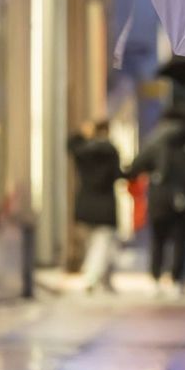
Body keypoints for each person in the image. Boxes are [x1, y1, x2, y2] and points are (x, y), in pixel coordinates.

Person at [126, 106, 185, 296]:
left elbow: (137, 166)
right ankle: (176, 279)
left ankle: (155, 278)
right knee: (181, 240)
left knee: (158, 239)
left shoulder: (155, 140)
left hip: (160, 196)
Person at [67, 120, 123, 294]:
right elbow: (117, 174)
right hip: (105, 205)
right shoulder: (111, 151)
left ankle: (101, 278)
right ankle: (92, 277)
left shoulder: (84, 151)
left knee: (94, 243)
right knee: (102, 244)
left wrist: (83, 132)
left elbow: (70, 143)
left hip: (85, 203)